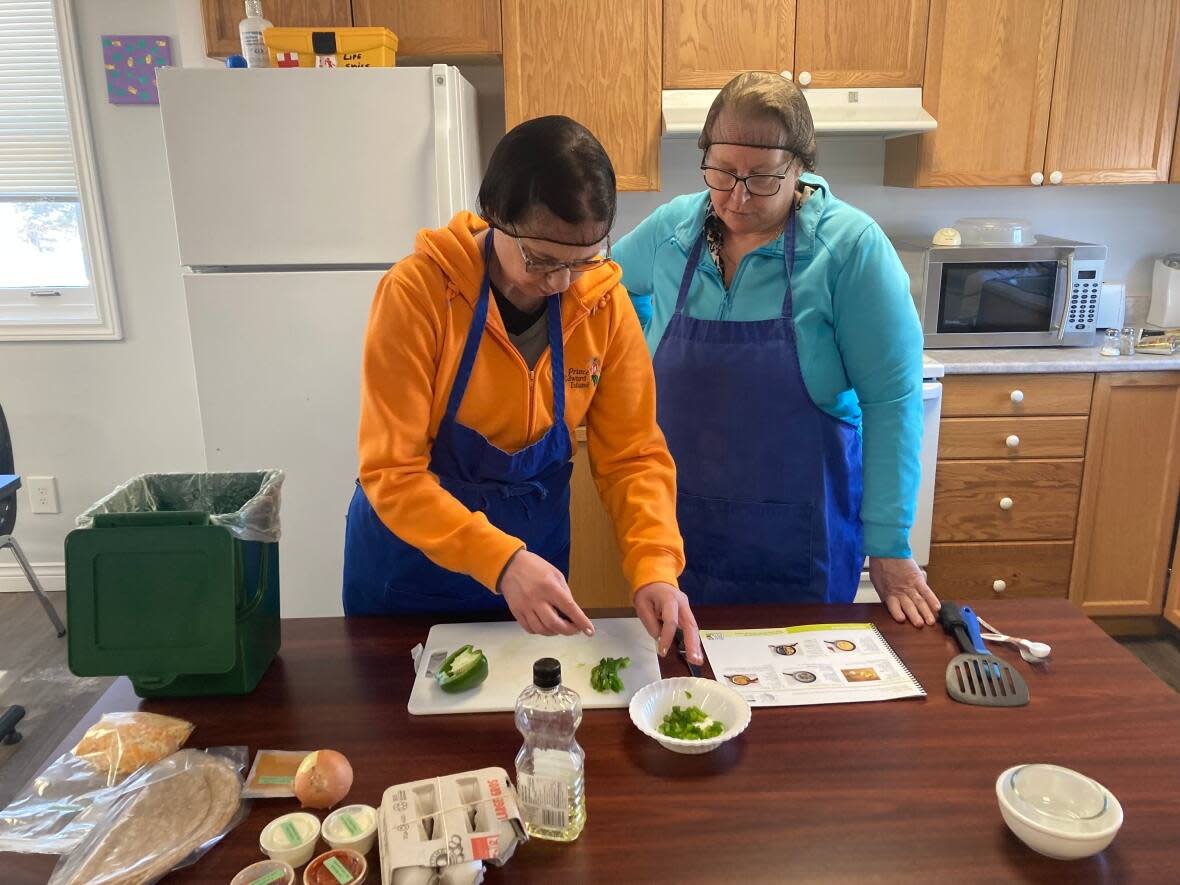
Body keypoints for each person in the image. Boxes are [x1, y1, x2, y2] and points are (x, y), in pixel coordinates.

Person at [343, 115, 702, 663]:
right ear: (495, 218)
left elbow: (633, 456)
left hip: (536, 582)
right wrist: (501, 561)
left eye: (583, 261)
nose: (560, 282)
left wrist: (655, 565)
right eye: (542, 259)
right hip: (409, 578)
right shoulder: (417, 295)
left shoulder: (605, 307)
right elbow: (391, 473)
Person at [613, 72, 940, 627]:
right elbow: (610, 287)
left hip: (798, 543)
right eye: (722, 173)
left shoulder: (850, 250)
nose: (737, 197)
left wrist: (888, 544)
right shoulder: (674, 231)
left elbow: (892, 402)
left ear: (801, 168)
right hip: (680, 533)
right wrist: (637, 360)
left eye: (763, 179)